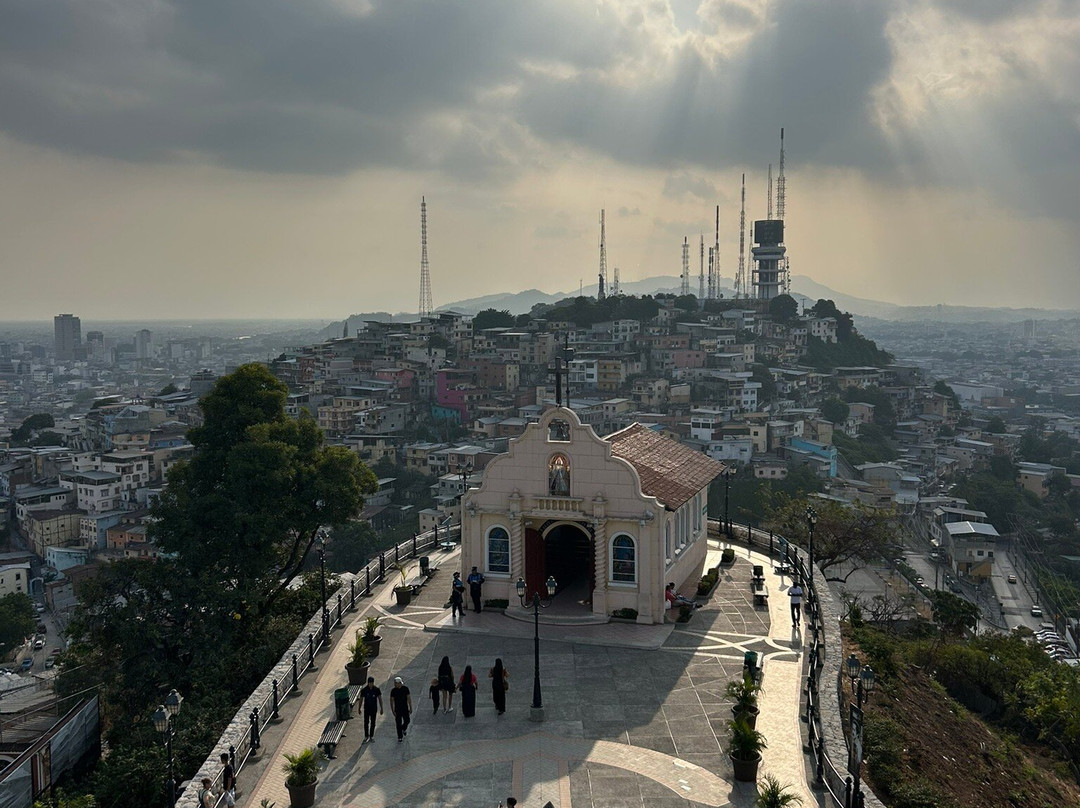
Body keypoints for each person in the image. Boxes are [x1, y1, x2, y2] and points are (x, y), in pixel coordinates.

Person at [360, 676, 383, 742]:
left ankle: (371, 736)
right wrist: (359, 708)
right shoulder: (364, 690)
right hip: (367, 709)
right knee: (366, 722)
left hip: (373, 709)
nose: (371, 684)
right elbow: (361, 699)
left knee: (373, 723)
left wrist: (381, 708)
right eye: (370, 683)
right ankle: (366, 736)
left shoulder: (376, 689)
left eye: (372, 683)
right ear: (368, 683)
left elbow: (380, 699)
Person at [389, 676, 412, 742]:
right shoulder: (393, 691)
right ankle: (400, 736)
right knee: (398, 723)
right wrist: (392, 710)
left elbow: (409, 698)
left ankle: (403, 729)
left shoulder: (405, 689)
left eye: (395, 683)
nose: (394, 684)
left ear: (398, 683)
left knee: (407, 720)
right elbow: (391, 700)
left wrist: (410, 707)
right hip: (397, 709)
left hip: (405, 708)